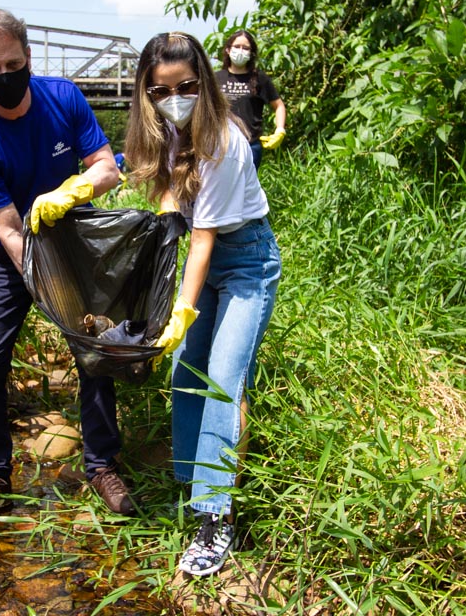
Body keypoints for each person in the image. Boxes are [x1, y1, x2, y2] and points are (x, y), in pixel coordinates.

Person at [0, 8, 133, 527]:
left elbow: (107, 167)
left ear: (29, 57)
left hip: (72, 239)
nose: (5, 75)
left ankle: (102, 464)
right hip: (11, 255)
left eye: (13, 64)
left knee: (93, 349)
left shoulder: (64, 98)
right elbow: (8, 230)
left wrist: (72, 191)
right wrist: (45, 285)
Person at [124, 32, 281, 576]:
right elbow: (174, 193)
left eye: (186, 86)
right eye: (161, 90)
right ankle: (194, 483)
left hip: (245, 262)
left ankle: (217, 518)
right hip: (205, 256)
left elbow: (204, 240)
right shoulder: (168, 130)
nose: (175, 99)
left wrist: (181, 311)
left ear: (205, 83)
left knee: (222, 378)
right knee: (187, 374)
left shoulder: (225, 139)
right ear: (148, 92)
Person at [214, 29, 287, 169]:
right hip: (221, 145)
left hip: (251, 144)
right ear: (228, 50)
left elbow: (279, 106)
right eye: (237, 46)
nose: (240, 51)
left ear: (251, 53)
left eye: (245, 48)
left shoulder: (260, 78)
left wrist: (279, 130)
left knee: (247, 183)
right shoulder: (216, 78)